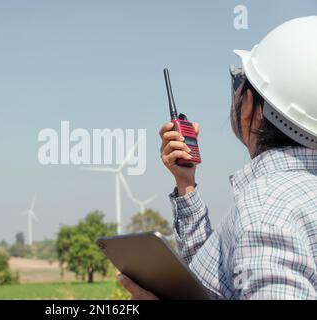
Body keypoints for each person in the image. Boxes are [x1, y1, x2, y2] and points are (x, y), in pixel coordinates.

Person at [118, 16, 317, 299]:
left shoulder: (266, 211)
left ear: (251, 105)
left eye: (239, 82)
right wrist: (186, 183)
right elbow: (220, 284)